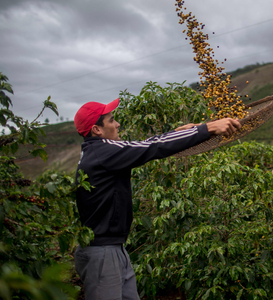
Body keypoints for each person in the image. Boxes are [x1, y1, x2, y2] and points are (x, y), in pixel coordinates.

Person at [72, 98, 241, 300]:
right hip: (103, 252)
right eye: (111, 120)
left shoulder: (98, 151)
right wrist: (208, 128)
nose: (117, 124)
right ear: (97, 130)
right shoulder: (103, 152)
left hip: (113, 248)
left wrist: (179, 133)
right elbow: (151, 148)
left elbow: (146, 144)